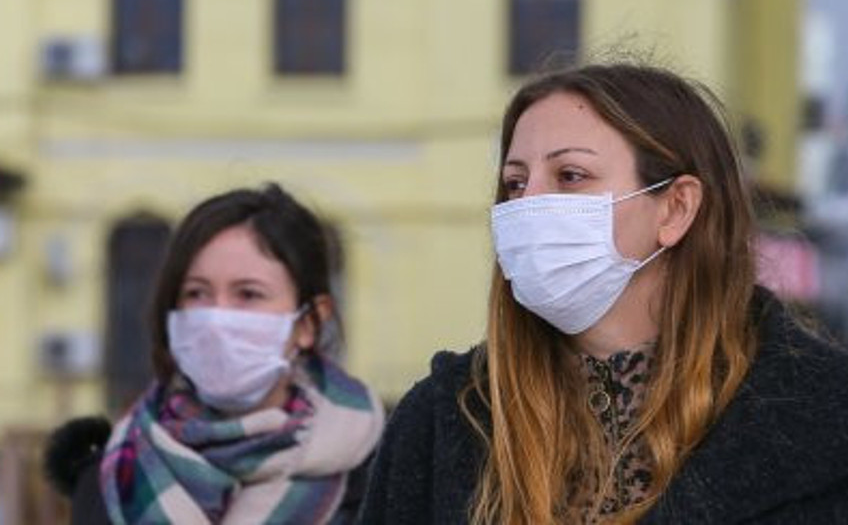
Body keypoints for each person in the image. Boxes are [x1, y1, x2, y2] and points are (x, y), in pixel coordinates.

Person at [358, 63, 848, 523]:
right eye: (515, 182)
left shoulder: (822, 418)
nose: (528, 206)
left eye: (570, 176)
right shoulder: (444, 422)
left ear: (675, 209)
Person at [45, 184, 384, 524]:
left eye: (248, 294)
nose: (216, 319)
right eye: (196, 293)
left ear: (309, 322)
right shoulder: (115, 476)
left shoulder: (377, 477)